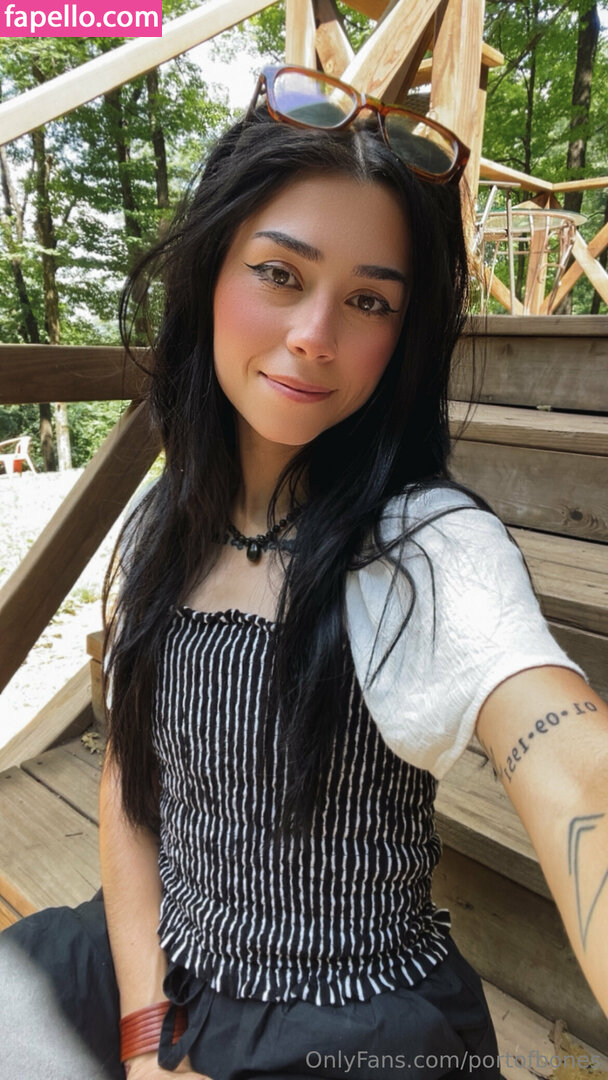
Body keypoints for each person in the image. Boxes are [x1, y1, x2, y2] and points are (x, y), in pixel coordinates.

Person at [1, 66, 607, 1080]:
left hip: (352, 1026)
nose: (313, 337)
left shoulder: (426, 551)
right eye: (280, 273)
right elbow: (129, 788)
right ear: (211, 272)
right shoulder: (159, 525)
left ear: (400, 340)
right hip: (152, 962)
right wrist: (147, 1040)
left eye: (368, 300)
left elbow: (573, 766)